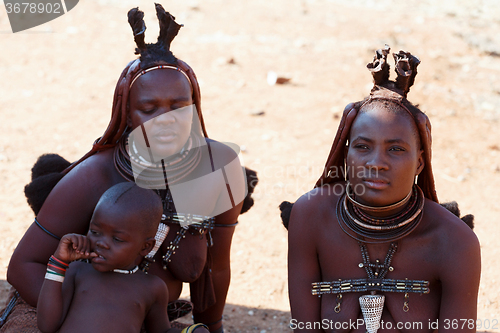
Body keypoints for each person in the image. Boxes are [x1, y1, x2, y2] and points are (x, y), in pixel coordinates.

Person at [2, 4, 255, 333]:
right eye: (149, 109)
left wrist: (213, 327)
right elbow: (22, 266)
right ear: (127, 115)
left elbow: (217, 267)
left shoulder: (219, 166)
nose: (166, 121)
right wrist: (88, 315)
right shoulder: (95, 176)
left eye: (179, 107)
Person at [283, 46, 480, 332]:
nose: (376, 163)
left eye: (396, 149)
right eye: (362, 147)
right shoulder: (310, 216)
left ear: (420, 163)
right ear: (346, 154)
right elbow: (305, 326)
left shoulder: (454, 242)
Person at [37, 182, 208, 333]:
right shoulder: (78, 271)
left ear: (145, 246)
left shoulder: (152, 287)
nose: (101, 243)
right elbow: (47, 325)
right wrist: (58, 263)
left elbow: (161, 330)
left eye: (117, 239)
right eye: (95, 232)